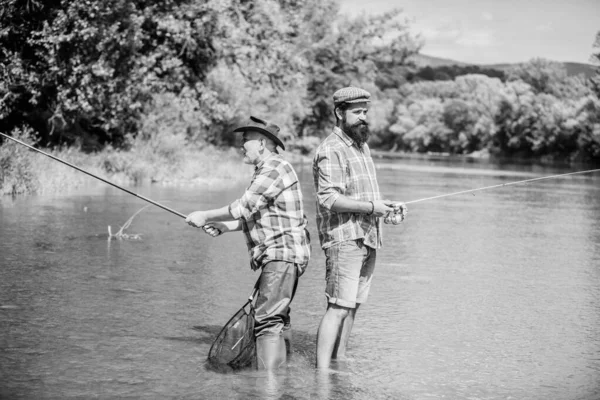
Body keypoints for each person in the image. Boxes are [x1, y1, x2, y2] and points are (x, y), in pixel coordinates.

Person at [186, 116, 311, 371]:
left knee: (266, 321)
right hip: (283, 255)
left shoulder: (274, 167)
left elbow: (242, 207)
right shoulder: (271, 168)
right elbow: (258, 216)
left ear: (262, 143)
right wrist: (224, 227)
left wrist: (205, 215)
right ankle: (282, 378)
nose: (242, 146)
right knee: (278, 318)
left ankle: (266, 386)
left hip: (281, 255)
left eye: (246, 141)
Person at [312, 87, 406, 369]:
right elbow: (329, 199)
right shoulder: (331, 149)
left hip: (368, 238)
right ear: (340, 113)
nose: (363, 117)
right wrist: (372, 207)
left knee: (351, 307)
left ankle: (338, 364)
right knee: (338, 307)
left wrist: (385, 206)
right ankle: (322, 377)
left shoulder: (362, 147)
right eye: (357, 112)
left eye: (365, 111)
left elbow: (364, 197)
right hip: (344, 240)